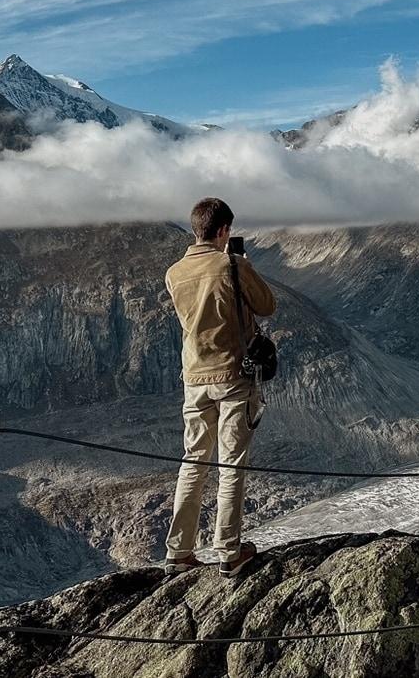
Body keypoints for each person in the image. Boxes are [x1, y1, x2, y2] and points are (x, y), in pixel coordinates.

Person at [162, 196, 276, 577]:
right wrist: (243, 267)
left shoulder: (174, 272)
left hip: (194, 378)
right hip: (232, 377)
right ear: (224, 230)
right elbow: (267, 305)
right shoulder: (231, 265)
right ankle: (229, 549)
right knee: (231, 464)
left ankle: (178, 551)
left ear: (197, 229)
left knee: (193, 460)